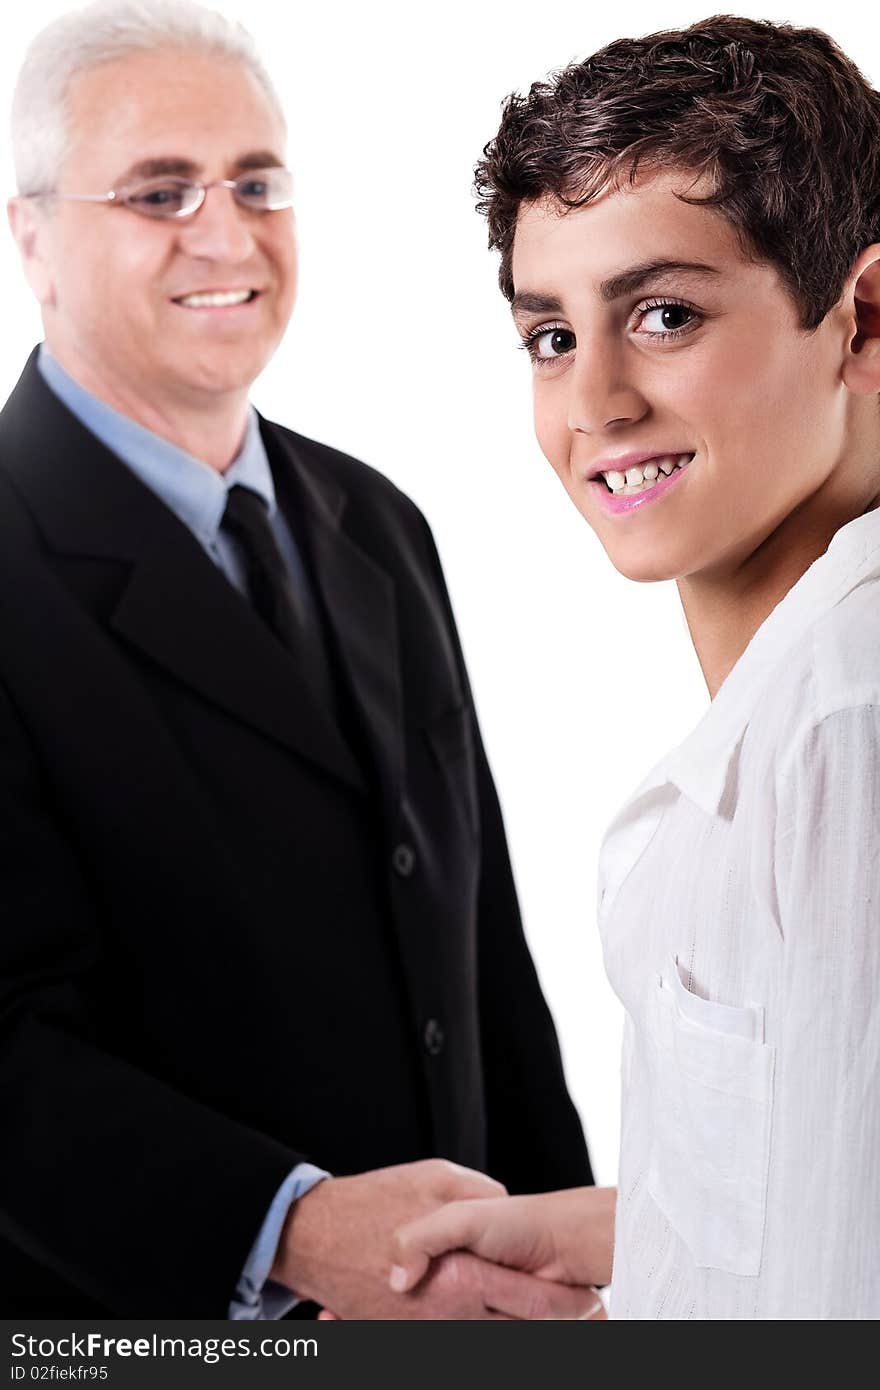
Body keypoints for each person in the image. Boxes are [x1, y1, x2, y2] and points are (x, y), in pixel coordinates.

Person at [0, 0, 598, 1319]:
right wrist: (299, 1230)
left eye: (257, 181)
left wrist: (561, 1267)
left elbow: (486, 954)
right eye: (160, 190)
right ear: (31, 237)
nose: (224, 231)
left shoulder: (377, 523)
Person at [388, 14, 880, 1319]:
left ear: (863, 318)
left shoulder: (848, 719)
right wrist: (634, 1230)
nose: (593, 401)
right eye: (550, 335)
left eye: (663, 314)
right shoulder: (808, 690)